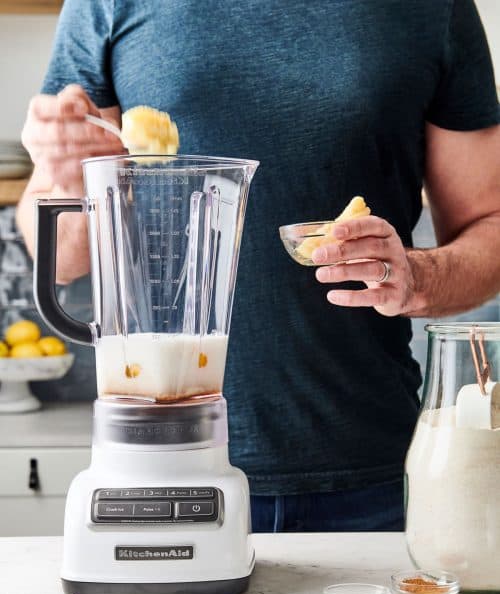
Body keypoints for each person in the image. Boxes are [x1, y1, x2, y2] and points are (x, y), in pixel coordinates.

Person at [18, 0, 500, 532]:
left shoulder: (435, 9)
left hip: (370, 478)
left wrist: (418, 277)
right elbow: (60, 258)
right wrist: (65, 179)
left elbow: (490, 222)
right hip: (160, 463)